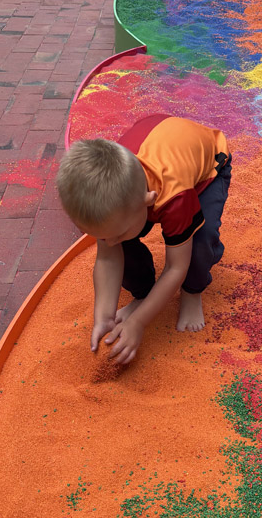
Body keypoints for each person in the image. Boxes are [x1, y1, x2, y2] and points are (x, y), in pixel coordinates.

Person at [56, 120, 232, 359]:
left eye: (116, 234)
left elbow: (175, 267)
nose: (109, 242)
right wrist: (104, 316)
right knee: (120, 244)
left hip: (209, 168)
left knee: (200, 240)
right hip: (155, 148)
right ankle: (144, 293)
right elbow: (107, 259)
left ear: (148, 202)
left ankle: (192, 293)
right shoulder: (111, 196)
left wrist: (138, 323)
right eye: (102, 236)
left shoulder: (175, 197)